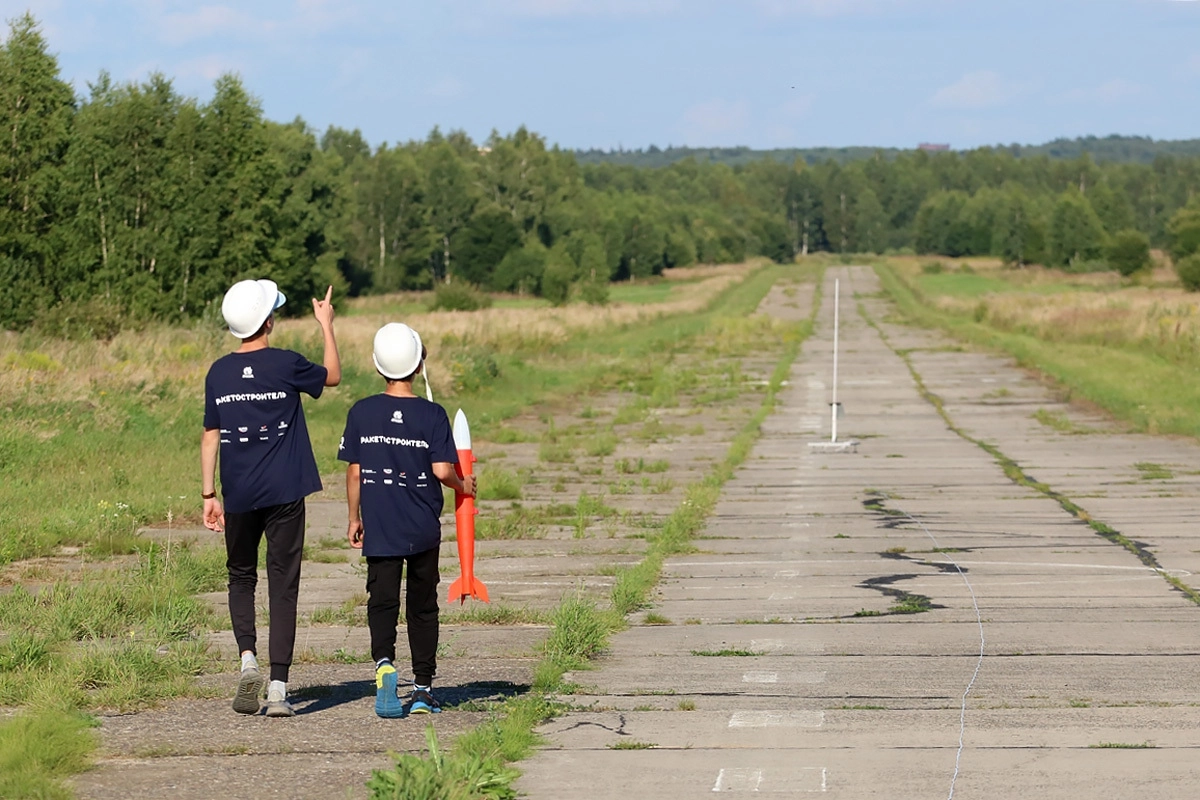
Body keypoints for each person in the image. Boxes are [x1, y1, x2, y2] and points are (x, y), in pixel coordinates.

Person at [201, 280, 341, 717]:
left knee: (241, 576)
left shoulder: (218, 373)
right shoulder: (286, 363)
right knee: (283, 584)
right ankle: (278, 688)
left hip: (238, 491)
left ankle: (248, 660)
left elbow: (210, 435)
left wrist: (208, 493)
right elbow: (332, 376)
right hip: (285, 491)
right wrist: (326, 324)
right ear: (268, 322)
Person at [338, 322, 476, 718]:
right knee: (422, 607)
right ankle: (422, 690)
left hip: (380, 524)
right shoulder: (432, 414)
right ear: (418, 366)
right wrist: (463, 484)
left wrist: (353, 517)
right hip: (421, 528)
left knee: (382, 601)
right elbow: (441, 470)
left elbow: (354, 472)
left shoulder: (361, 412)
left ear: (377, 365)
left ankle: (384, 665)